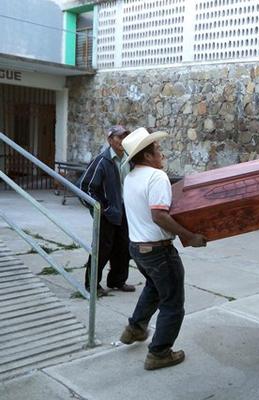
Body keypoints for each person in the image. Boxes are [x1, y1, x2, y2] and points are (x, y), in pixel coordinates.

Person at [118, 127, 206, 371]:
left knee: (155, 288)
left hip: (137, 246)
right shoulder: (156, 177)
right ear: (147, 156)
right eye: (157, 150)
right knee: (173, 303)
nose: (162, 154)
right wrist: (190, 236)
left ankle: (135, 328)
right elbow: (159, 215)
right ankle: (159, 353)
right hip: (158, 251)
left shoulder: (131, 176)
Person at [79, 125, 135, 296]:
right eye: (119, 137)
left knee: (124, 248)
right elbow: (85, 187)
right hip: (107, 213)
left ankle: (117, 281)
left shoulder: (129, 159)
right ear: (110, 140)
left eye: (125, 137)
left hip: (125, 211)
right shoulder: (102, 161)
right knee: (102, 249)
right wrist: (101, 208)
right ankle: (92, 284)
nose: (122, 141)